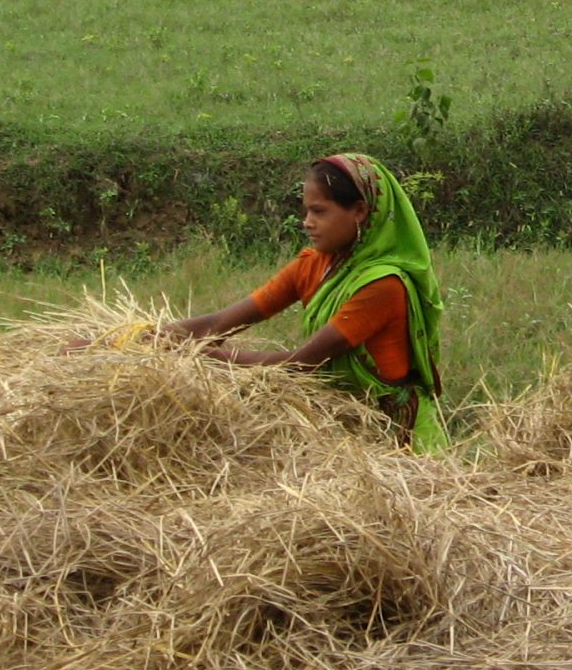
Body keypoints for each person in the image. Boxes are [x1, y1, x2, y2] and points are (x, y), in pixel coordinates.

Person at [158, 153, 448, 450]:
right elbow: (221, 322)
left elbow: (303, 363)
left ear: (359, 211)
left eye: (319, 212)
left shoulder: (383, 285)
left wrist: (208, 358)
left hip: (397, 441)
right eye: (307, 211)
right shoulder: (312, 265)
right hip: (344, 431)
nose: (307, 223)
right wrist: (156, 337)